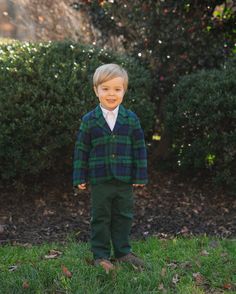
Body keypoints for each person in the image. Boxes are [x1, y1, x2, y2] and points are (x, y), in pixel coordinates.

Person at [73, 63, 148, 270]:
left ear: (124, 90)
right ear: (96, 90)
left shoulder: (131, 119)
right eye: (105, 89)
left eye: (117, 89)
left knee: (124, 216)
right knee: (100, 217)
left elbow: (139, 149)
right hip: (100, 179)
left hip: (124, 179)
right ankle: (101, 255)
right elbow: (81, 150)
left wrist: (140, 176)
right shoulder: (89, 120)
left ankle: (123, 252)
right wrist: (80, 176)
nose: (111, 94)